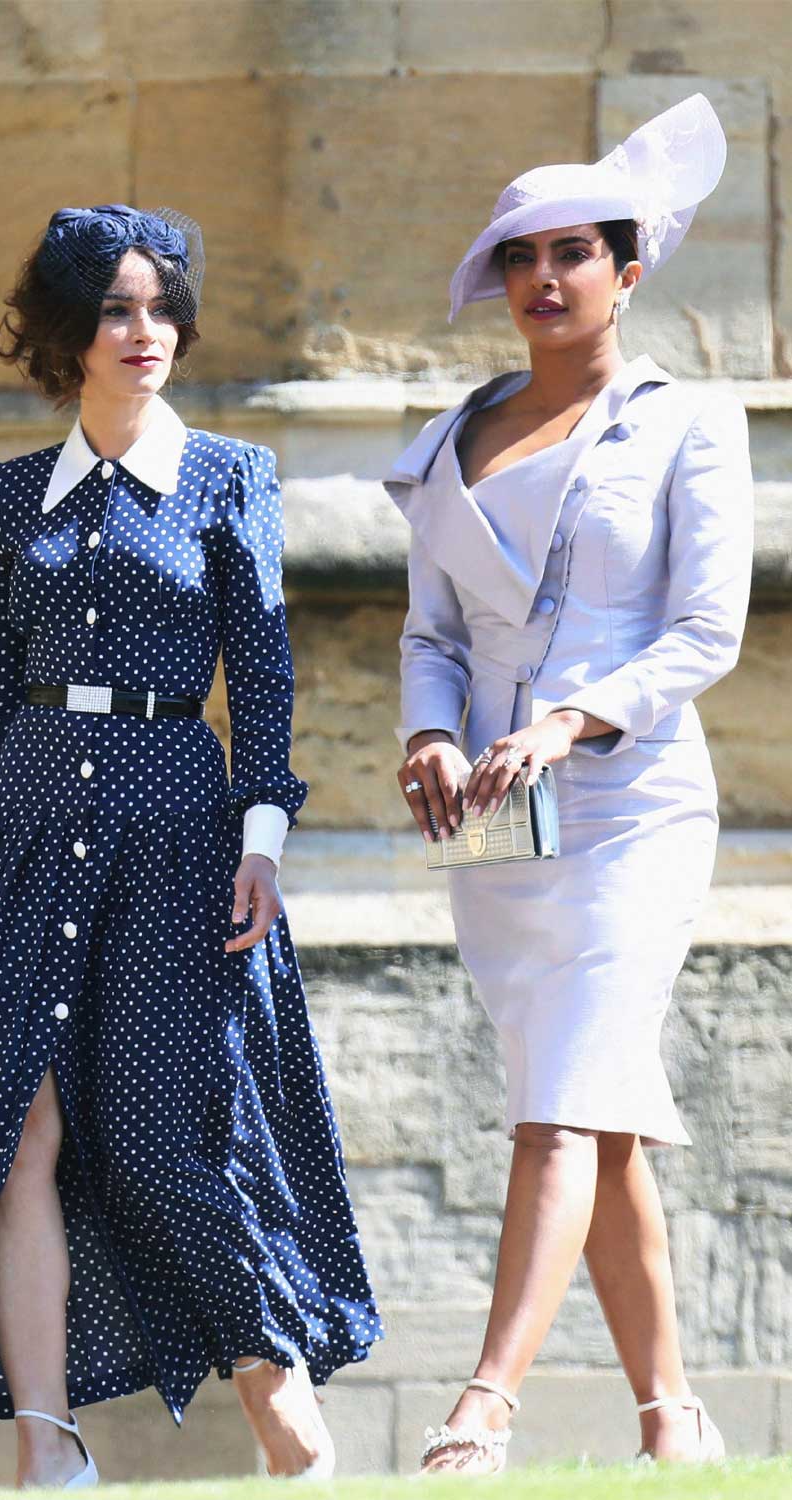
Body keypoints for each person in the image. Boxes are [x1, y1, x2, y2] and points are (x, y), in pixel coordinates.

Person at [0, 204, 381, 1485]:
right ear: (71, 334)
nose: (147, 332)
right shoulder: (17, 491)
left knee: (165, 1123)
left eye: (162, 306)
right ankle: (44, 1442)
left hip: (177, 828)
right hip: (24, 830)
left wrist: (264, 839)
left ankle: (265, 1369)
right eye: (119, 310)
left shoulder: (230, 477)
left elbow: (267, 677)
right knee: (11, 1127)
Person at [385, 95, 752, 1475]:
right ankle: (674, 1415)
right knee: (588, 1102)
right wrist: (429, 735)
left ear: (627, 268)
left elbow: (703, 636)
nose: (542, 281)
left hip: (632, 806)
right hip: (488, 817)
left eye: (572, 255)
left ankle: (482, 1404)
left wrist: (569, 720)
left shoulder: (687, 425)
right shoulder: (448, 440)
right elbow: (427, 637)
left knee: (555, 1107)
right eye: (520, 259)